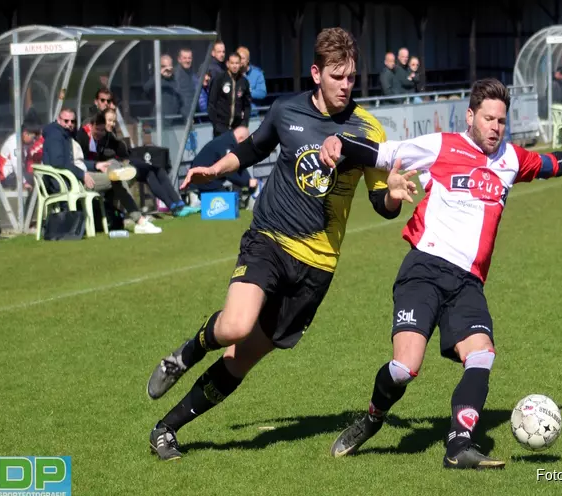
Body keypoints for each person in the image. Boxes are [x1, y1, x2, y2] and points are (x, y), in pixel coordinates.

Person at [319, 78, 562, 469]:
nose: (495, 127)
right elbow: (383, 153)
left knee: (481, 355)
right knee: (405, 368)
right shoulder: (442, 146)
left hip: (467, 282)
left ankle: (459, 446)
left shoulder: (511, 159)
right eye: (488, 119)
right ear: (471, 116)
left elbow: (553, 164)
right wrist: (341, 143)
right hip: (425, 270)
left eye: (501, 120)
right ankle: (372, 418)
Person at [144, 27, 414, 461]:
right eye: (338, 76)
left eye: (351, 77)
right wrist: (215, 170)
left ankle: (166, 429)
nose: (346, 85)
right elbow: (253, 149)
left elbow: (380, 203)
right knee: (234, 325)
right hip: (269, 239)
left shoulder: (368, 129)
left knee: (240, 359)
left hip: (317, 268)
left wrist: (393, 195)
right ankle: (182, 356)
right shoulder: (286, 110)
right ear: (316, 74)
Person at [184, 125, 258, 201]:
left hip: (207, 179)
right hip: (205, 181)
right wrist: (247, 182)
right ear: (241, 139)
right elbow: (230, 171)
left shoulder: (227, 140)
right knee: (227, 204)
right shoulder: (226, 146)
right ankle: (197, 197)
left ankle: (198, 197)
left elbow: (238, 164)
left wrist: (248, 179)